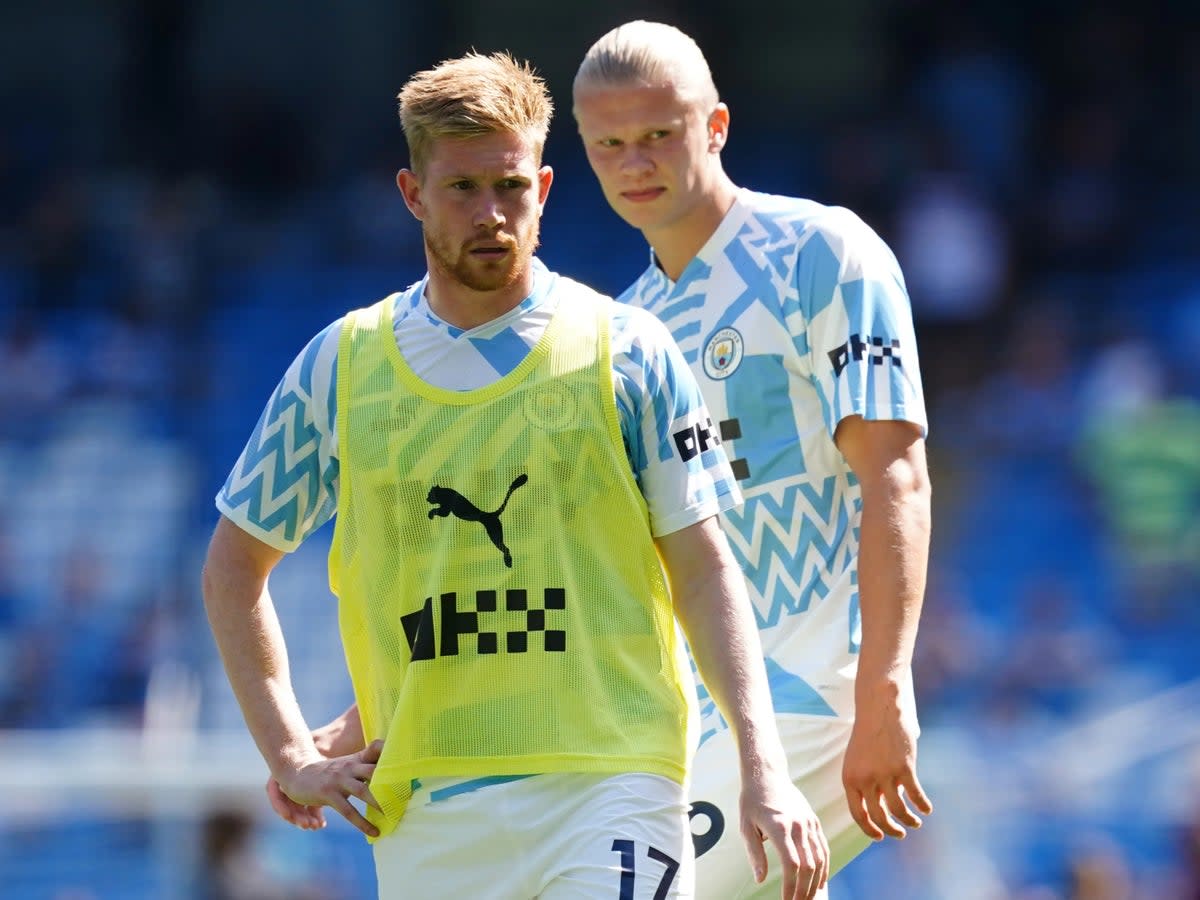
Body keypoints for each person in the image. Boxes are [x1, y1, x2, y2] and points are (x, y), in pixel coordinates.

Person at [203, 50, 829, 900]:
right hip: (426, 810)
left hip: (615, 786)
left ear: (544, 187)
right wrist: (290, 753)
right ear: (412, 193)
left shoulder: (629, 352)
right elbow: (234, 568)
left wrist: (765, 766)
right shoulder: (341, 370)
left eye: (511, 188)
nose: (491, 214)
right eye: (462, 189)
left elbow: (705, 565)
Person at [571, 20, 935, 899]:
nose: (635, 161)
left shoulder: (824, 253)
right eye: (608, 144)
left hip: (826, 694)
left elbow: (895, 471)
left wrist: (885, 685)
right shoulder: (621, 334)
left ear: (717, 126)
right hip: (704, 714)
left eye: (659, 133)